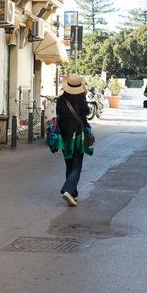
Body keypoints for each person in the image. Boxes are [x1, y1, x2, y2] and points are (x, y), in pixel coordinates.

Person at [55, 74, 93, 206]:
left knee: (69, 165)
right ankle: (67, 189)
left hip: (65, 136)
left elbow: (59, 116)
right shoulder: (81, 101)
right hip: (77, 136)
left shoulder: (60, 100)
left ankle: (73, 193)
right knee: (77, 166)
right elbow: (86, 115)